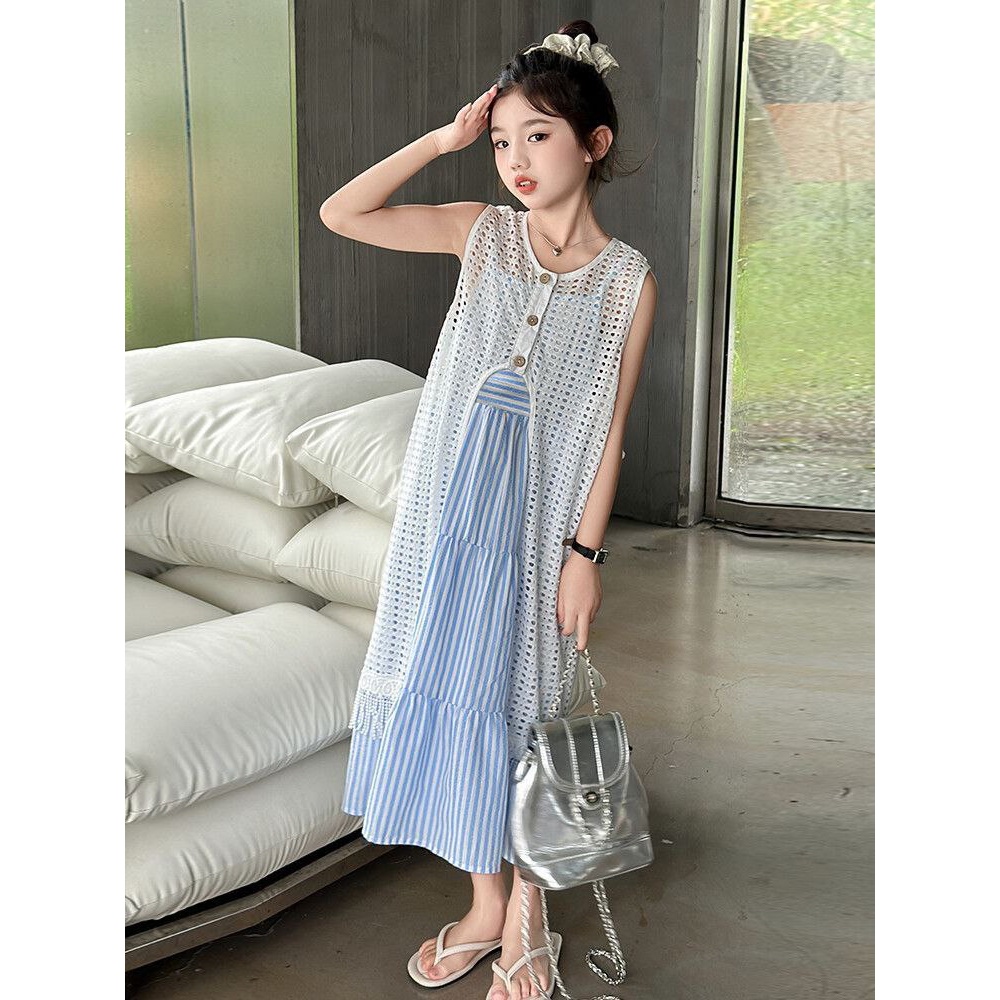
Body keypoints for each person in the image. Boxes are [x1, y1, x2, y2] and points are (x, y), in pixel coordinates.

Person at [319, 19, 656, 1000]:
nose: (514, 159)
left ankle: (526, 914)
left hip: (540, 524)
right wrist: (443, 140)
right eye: (503, 140)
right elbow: (343, 213)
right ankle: (484, 902)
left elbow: (610, 430)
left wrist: (584, 554)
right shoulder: (482, 233)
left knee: (524, 698)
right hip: (445, 514)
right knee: (451, 680)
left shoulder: (627, 282)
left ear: (593, 143)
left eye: (537, 136)